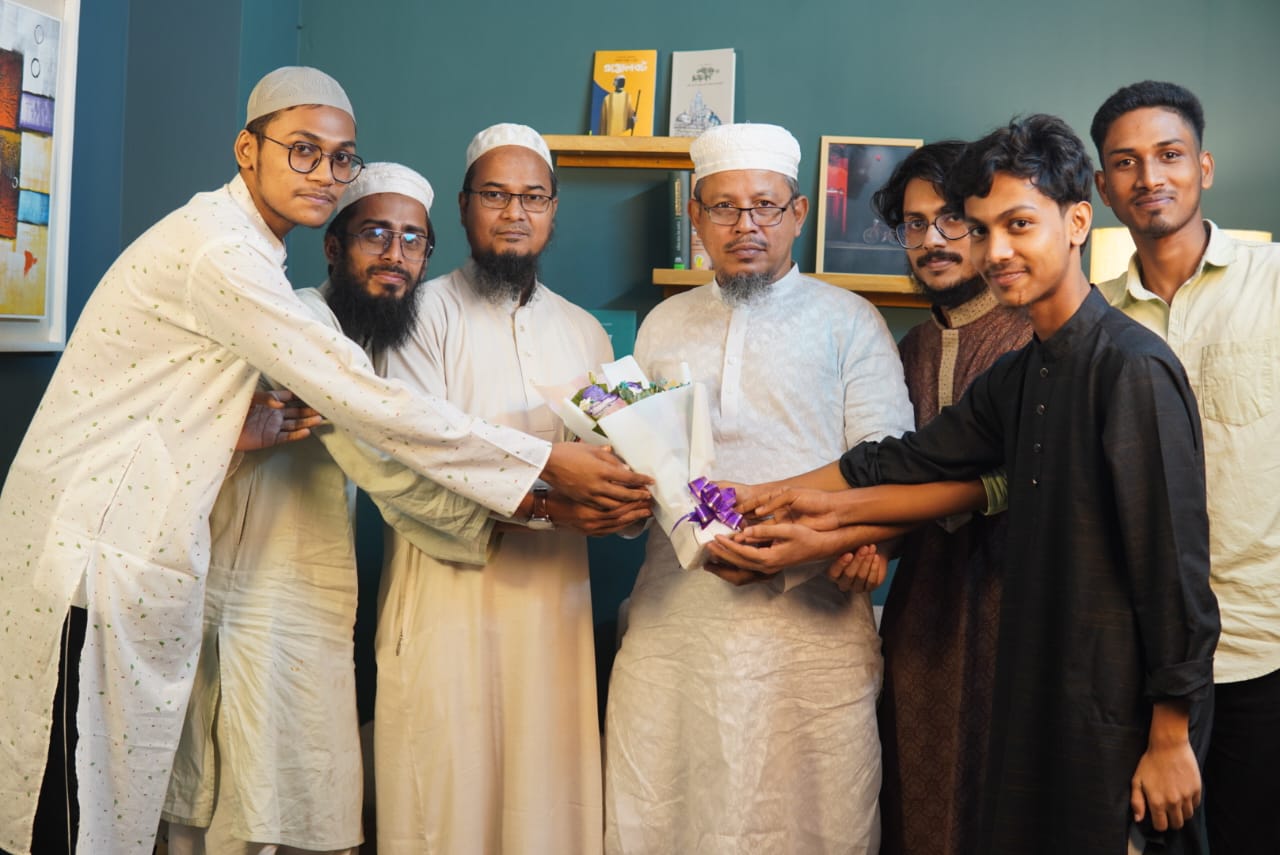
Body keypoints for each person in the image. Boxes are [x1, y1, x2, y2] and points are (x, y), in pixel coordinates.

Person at [0, 68, 644, 855]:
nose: (324, 173)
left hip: (142, 558)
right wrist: (546, 477)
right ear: (248, 149)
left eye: (341, 158)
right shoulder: (226, 256)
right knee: (73, 818)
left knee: (105, 815)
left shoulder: (253, 256)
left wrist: (220, 426)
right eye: (303, 150)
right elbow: (369, 410)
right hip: (92, 559)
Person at [732, 114, 1217, 854]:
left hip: (1119, 708)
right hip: (1039, 683)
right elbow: (909, 458)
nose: (997, 252)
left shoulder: (1131, 368)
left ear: (1077, 222)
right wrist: (770, 498)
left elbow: (1174, 571)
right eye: (984, 230)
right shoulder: (1023, 373)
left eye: (1019, 225)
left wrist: (1171, 734)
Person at [161, 163, 494, 855]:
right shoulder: (298, 324)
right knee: (236, 817)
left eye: (413, 240)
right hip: (247, 610)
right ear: (334, 246)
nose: (396, 254)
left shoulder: (371, 346)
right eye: (376, 234)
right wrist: (526, 505)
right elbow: (388, 461)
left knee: (303, 807)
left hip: (306, 616)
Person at [603, 122, 914, 854]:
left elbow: (887, 462)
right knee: (664, 808)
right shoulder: (662, 326)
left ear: (798, 213)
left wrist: (855, 544)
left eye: (766, 206)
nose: (746, 225)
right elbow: (647, 460)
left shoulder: (850, 321)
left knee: (815, 818)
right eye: (724, 207)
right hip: (677, 623)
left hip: (811, 629)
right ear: (696, 216)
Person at [372, 123, 650, 855]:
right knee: (445, 802)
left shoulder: (586, 333)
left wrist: (622, 506)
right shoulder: (417, 314)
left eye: (533, 197)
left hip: (554, 610)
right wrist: (555, 489)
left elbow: (616, 457)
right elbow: (421, 456)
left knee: (545, 805)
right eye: (495, 195)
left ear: (554, 211)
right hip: (445, 601)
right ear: (464, 206)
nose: (515, 213)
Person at [1091, 80, 1280, 855]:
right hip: (1136, 662)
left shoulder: (1274, 284)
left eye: (1169, 155)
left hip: (1262, 647)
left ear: (1203, 166)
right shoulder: (1094, 320)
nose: (1150, 177)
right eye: (1125, 163)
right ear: (1101, 188)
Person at [867, 141, 1033, 855]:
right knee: (917, 794)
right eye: (914, 224)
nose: (931, 240)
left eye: (950, 219)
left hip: (1016, 604)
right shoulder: (906, 348)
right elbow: (890, 471)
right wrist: (873, 541)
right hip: (925, 612)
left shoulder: (1035, 333)